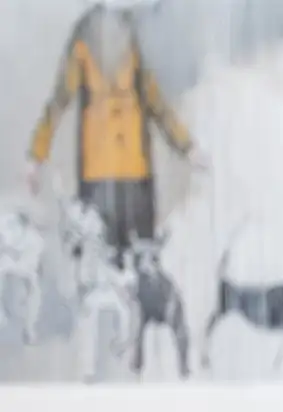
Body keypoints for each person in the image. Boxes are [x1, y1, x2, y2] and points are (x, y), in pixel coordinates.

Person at [25, 0, 205, 256]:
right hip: (122, 173)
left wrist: (36, 155)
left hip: (113, 173)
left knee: (114, 257)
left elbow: (60, 100)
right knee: (125, 259)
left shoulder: (107, 36)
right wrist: (186, 147)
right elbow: (156, 103)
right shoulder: (116, 37)